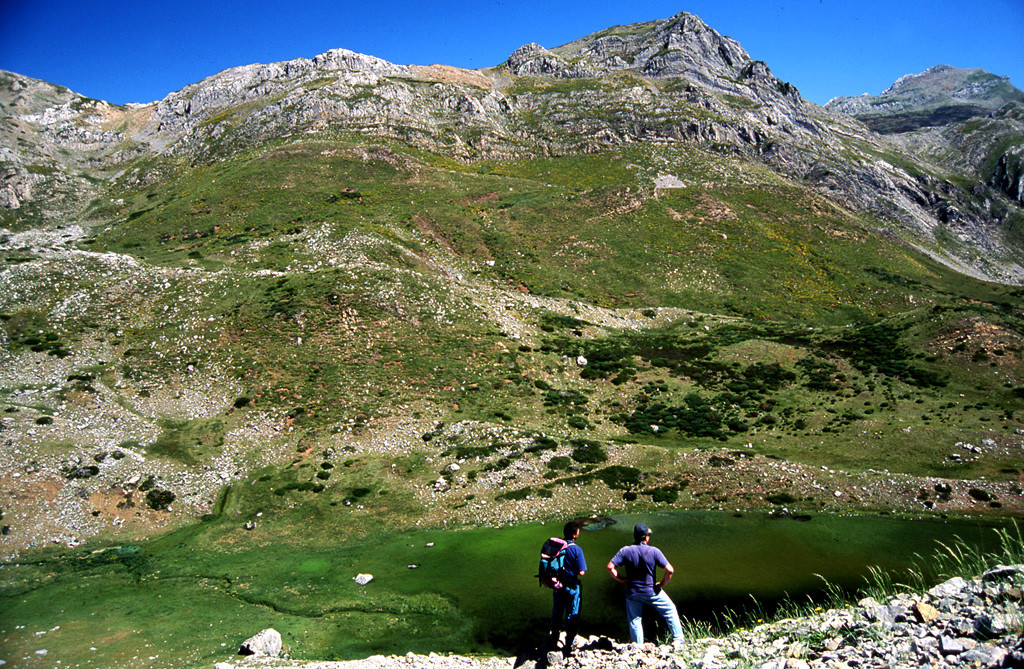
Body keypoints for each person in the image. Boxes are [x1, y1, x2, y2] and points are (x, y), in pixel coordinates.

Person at [606, 522, 684, 649]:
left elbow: (610, 567)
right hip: (651, 591)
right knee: (670, 610)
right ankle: (678, 641)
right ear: (646, 537)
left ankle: (638, 648)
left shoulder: (625, 550)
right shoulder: (654, 551)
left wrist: (621, 579)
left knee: (635, 620)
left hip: (633, 592)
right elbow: (670, 570)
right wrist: (661, 584)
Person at [549, 520, 587, 656]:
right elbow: (582, 571)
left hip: (557, 586)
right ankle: (570, 642)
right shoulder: (576, 549)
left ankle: (554, 639)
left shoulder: (556, 547)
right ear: (574, 535)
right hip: (571, 586)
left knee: (557, 612)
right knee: (572, 613)